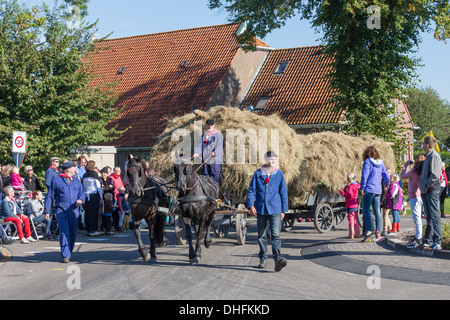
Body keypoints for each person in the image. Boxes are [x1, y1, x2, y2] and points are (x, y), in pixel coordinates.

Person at [247, 151, 288, 272]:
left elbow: (283, 192)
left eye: (274, 159)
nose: (273, 161)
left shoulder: (279, 174)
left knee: (275, 234)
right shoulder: (257, 173)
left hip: (275, 208)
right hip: (261, 208)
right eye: (270, 159)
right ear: (265, 160)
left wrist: (283, 210)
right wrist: (251, 205)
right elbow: (251, 191)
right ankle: (263, 258)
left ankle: (278, 259)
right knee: (261, 236)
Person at [44, 161, 85, 263]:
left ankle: (68, 251)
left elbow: (82, 192)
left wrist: (81, 200)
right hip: (61, 210)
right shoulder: (57, 180)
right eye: (73, 168)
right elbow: (49, 196)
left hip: (74, 211)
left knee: (72, 233)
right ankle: (65, 255)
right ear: (68, 170)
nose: (75, 169)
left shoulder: (76, 180)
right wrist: (47, 211)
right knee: (64, 232)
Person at [360, 146, 390, 242]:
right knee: (377, 211)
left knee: (365, 210)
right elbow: (386, 175)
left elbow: (365, 175)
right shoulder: (381, 163)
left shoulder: (368, 162)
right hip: (377, 190)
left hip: (369, 189)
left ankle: (369, 231)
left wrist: (363, 187)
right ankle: (377, 231)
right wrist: (387, 184)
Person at [419, 136, 443, 250]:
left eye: (423, 144)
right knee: (428, 216)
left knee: (434, 216)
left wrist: (425, 184)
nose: (422, 146)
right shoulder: (428, 157)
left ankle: (437, 241)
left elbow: (434, 175)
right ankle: (428, 240)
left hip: (431, 190)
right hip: (426, 190)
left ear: (427, 145)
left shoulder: (434, 156)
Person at [401, 154, 426, 248]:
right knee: (418, 218)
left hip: (414, 196)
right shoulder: (422, 171)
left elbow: (403, 176)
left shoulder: (414, 171)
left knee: (417, 219)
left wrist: (405, 165)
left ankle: (418, 239)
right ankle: (418, 237)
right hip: (420, 195)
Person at [193, 119, 223, 185]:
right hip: (205, 161)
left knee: (214, 180)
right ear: (206, 126)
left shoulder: (218, 136)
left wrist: (215, 153)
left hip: (215, 161)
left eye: (211, 125)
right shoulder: (203, 136)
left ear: (214, 125)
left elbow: (219, 147)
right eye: (208, 125)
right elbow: (199, 146)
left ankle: (214, 195)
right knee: (205, 179)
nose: (210, 127)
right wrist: (196, 153)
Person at [82, 160, 103, 236]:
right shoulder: (94, 174)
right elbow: (98, 186)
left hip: (87, 195)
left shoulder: (85, 175)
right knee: (93, 213)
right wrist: (101, 196)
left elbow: (84, 186)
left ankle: (88, 229)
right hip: (94, 195)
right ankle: (93, 230)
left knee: (87, 213)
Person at [339, 173, 360, 239]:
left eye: (349, 178)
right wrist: (345, 186)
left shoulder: (351, 186)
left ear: (352, 179)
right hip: (355, 204)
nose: (347, 180)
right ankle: (357, 233)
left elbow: (349, 195)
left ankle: (351, 234)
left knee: (350, 220)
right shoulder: (355, 185)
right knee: (354, 220)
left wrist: (342, 192)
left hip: (350, 205)